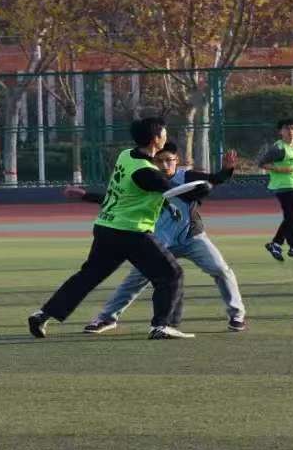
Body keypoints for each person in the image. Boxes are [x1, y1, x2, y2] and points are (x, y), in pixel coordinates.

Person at [27, 117, 191, 340]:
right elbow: (174, 189)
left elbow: (129, 194)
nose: (166, 135)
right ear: (155, 139)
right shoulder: (146, 171)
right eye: (163, 132)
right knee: (170, 273)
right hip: (131, 232)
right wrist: (204, 187)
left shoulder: (126, 155)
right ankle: (162, 326)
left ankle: (42, 315)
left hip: (106, 227)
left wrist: (87, 196)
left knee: (88, 276)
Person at [74, 142, 248, 333]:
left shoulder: (187, 177)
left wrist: (227, 170)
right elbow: (116, 200)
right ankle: (107, 318)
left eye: (169, 160)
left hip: (191, 237)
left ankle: (237, 314)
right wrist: (86, 196)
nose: (165, 165)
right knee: (135, 280)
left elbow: (214, 179)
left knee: (221, 270)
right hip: (158, 241)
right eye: (159, 160)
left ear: (177, 160)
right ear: (152, 161)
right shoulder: (145, 179)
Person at [258, 118, 293, 262]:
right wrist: (280, 169)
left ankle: (290, 247)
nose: (290, 131)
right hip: (285, 185)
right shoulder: (279, 148)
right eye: (287, 128)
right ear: (280, 131)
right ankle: (283, 244)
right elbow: (262, 163)